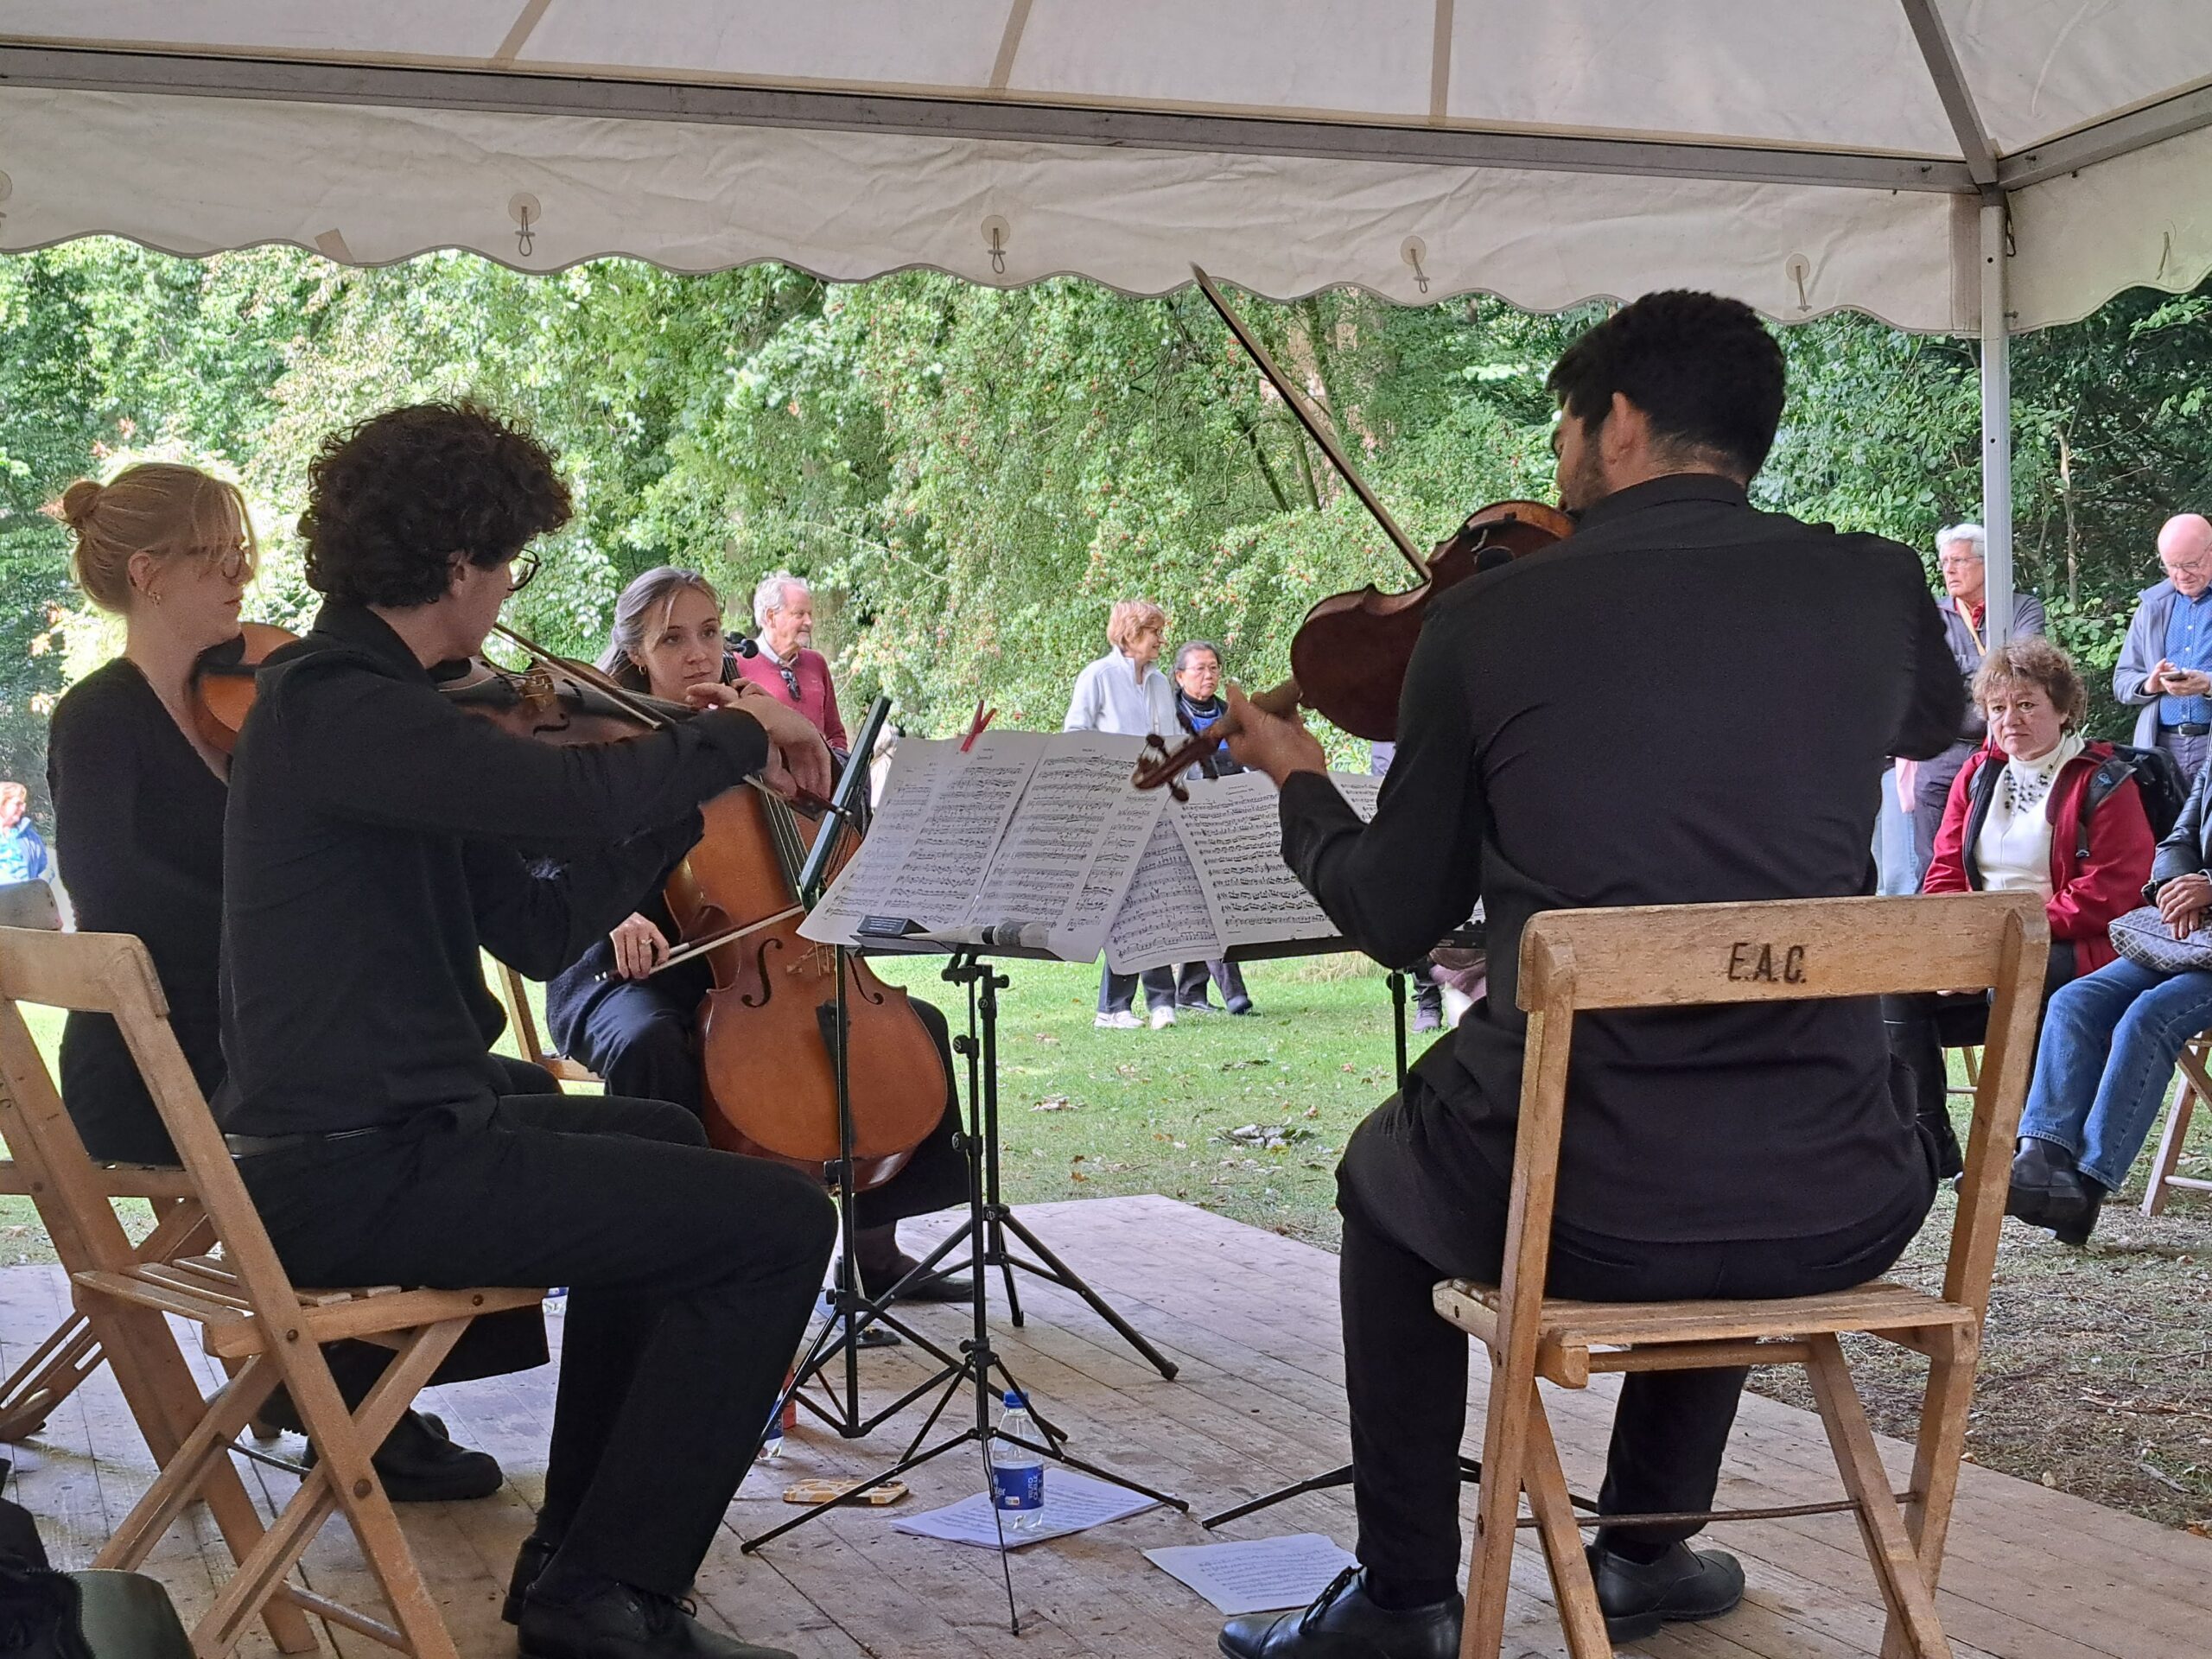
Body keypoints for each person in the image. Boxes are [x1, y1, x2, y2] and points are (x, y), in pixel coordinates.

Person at [1213, 289, 1965, 1658]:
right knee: (1733, 1097)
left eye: (1564, 427)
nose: (1557, 461)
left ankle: (1402, 1600)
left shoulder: (1493, 621)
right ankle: (1647, 1549)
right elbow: (1940, 714)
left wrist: (1305, 782)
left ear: (1616, 422)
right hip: (1850, 1186)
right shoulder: (1872, 578)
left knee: (1385, 1179)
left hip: (1586, 1206)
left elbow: (1395, 913)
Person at [217, 403, 839, 1659]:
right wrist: (726, 727)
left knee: (665, 1125)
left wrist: (690, 795)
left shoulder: (383, 715)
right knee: (783, 1224)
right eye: (507, 564)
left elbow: (537, 929)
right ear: (457, 566)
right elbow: (563, 789)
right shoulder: (337, 705)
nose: (510, 592)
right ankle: (613, 1595)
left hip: (393, 1132)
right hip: (352, 1164)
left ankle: (578, 1569)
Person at [42, 461, 529, 1504]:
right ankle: (353, 1396)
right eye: (218, 560)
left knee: (491, 1090)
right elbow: (117, 887)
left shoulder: (268, 691)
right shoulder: (99, 716)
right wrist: (286, 924)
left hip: (251, 1036)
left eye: (244, 556)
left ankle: (359, 1386)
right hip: (155, 1059)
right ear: (147, 573)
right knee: (411, 1112)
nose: (242, 579)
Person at [545, 565, 971, 1313]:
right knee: (651, 1046)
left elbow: (845, 836)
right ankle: (661, 1256)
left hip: (758, 962)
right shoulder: (604, 737)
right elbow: (544, 853)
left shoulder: (753, 727)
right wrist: (612, 914)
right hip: (627, 969)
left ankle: (874, 1250)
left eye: (709, 633)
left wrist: (795, 767)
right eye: (673, 639)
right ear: (638, 654)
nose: (699, 653)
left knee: (919, 1029)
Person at [1885, 639, 2156, 1179]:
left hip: (2075, 948)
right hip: (1986, 944)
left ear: (2063, 709)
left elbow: (2112, 891)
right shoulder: (1979, 773)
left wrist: (2004, 942)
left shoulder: (2103, 780)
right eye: (1999, 708)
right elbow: (1945, 870)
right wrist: (1952, 943)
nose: (2012, 719)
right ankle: (1928, 1141)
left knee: (2021, 975)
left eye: (2028, 704)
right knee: (1896, 982)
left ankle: (2020, 1151)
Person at [2009, 753, 2212, 1245]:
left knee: (2149, 1017)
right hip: (2190, 933)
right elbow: (2179, 839)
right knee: (2074, 1001)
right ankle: (2041, 1161)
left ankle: (2085, 1188)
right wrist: (2172, 887)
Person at [1900, 523, 2048, 876]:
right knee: (1932, 859)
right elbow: (1924, 671)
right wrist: (1991, 665)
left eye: (1958, 561)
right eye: (1944, 562)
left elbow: (2024, 666)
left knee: (1998, 853)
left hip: (2006, 748)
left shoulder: (2021, 608)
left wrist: (1958, 667)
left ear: (1986, 564)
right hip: (1944, 750)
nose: (1948, 570)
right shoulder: (1933, 613)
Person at [1065, 600, 1179, 1028]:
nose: (1161, 641)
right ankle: (1113, 1007)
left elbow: (1171, 740)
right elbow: (1075, 736)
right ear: (1131, 634)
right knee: (1125, 901)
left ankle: (1159, 1002)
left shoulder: (1161, 683)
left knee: (1158, 896)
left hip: (1160, 802)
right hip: (1114, 804)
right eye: (1154, 632)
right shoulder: (1098, 676)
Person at [1167, 640, 1254, 1016]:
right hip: (1182, 821)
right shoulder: (1166, 715)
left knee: (1213, 903)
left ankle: (1189, 991)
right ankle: (1233, 991)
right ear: (1180, 676)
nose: (1208, 675)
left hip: (1228, 820)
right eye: (1200, 668)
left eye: (1214, 668)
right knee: (1211, 903)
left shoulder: (1231, 714)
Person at [2115, 512, 2212, 779]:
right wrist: (2150, 684)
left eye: (2191, 564)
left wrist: (2208, 684)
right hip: (2161, 747)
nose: (2181, 575)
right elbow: (2122, 681)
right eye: (2171, 566)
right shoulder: (2152, 606)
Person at [731, 571, 849, 755]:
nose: (809, 622)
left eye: (810, 614)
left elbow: (835, 733)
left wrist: (837, 769)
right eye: (799, 614)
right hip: (766, 782)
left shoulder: (816, 662)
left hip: (821, 780)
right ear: (771, 617)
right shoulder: (737, 665)